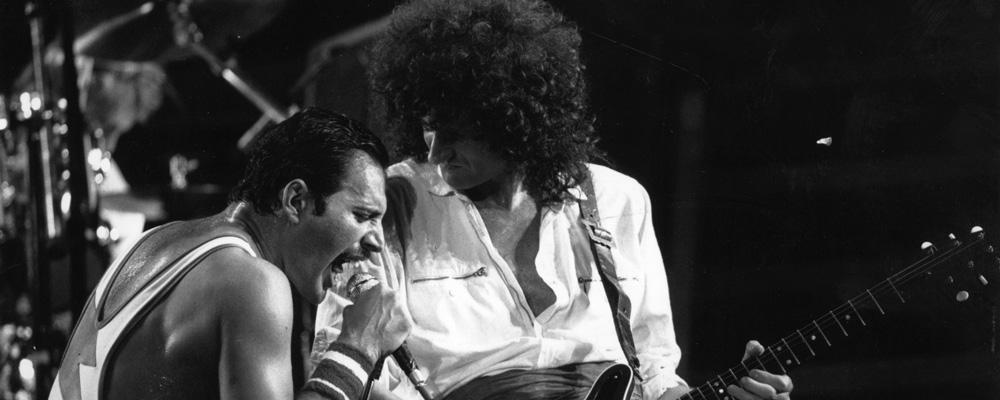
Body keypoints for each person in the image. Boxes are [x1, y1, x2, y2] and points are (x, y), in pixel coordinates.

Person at [312, 1, 794, 400]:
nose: (435, 152)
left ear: (512, 118)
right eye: (428, 126)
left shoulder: (619, 200)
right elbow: (345, 359)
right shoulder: (388, 202)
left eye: (457, 132)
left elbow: (655, 375)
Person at [49, 108, 413, 400]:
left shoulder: (153, 242)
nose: (376, 242)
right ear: (296, 200)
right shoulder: (253, 282)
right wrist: (357, 347)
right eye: (362, 216)